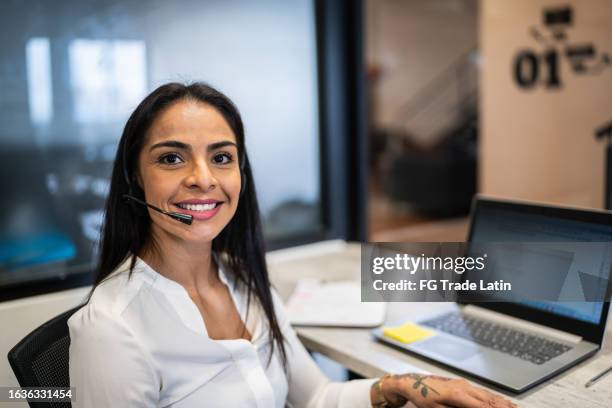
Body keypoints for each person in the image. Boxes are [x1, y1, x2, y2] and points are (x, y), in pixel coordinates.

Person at [68, 82, 517, 408]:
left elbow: (316, 396)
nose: (203, 179)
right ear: (134, 178)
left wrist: (399, 385)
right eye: (172, 158)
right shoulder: (111, 329)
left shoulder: (242, 279)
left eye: (222, 157)